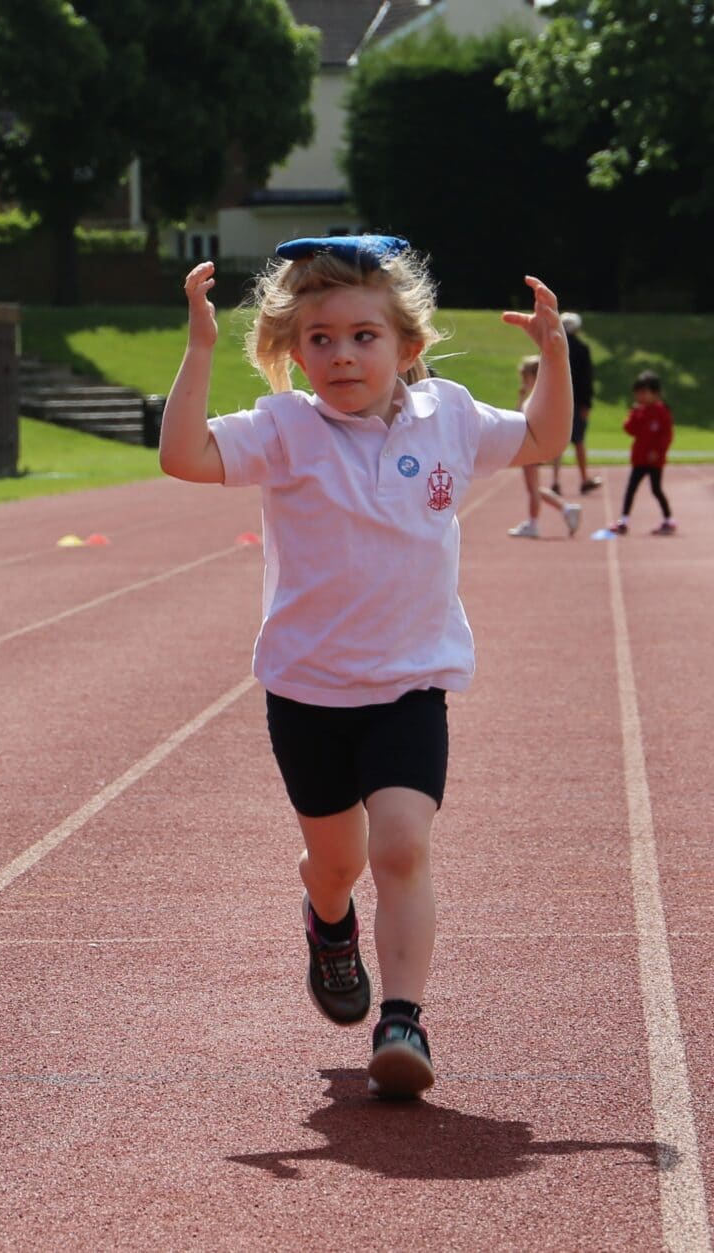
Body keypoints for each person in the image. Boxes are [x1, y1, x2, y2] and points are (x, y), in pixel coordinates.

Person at [158, 235, 569, 1099]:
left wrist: (554, 353)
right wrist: (199, 349)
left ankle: (404, 1019)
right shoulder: (284, 429)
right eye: (319, 339)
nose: (341, 354)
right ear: (290, 351)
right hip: (308, 691)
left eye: (362, 336)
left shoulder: (450, 416)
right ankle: (328, 919)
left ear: (406, 346)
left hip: (411, 683)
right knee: (337, 864)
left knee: (404, 846)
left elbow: (540, 438)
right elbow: (184, 456)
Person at [507, 355, 582, 538]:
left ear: (535, 376)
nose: (523, 381)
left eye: (526, 377)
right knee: (534, 487)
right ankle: (566, 508)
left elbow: (520, 418)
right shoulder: (540, 395)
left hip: (530, 445)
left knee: (532, 489)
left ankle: (534, 524)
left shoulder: (536, 397)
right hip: (532, 444)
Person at [613, 369, 676, 536]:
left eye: (643, 393)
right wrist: (633, 414)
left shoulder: (662, 411)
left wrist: (658, 451)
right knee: (631, 488)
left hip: (654, 461)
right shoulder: (640, 411)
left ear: (655, 393)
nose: (639, 397)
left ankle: (668, 520)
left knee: (656, 489)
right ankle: (624, 521)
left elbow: (667, 435)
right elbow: (629, 429)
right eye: (637, 393)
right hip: (640, 459)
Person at [555, 312, 603, 497]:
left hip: (557, 401)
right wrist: (587, 404)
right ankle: (584, 479)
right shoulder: (582, 349)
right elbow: (586, 379)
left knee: (557, 443)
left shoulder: (555, 347)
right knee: (579, 441)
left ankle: (555, 481)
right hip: (576, 402)